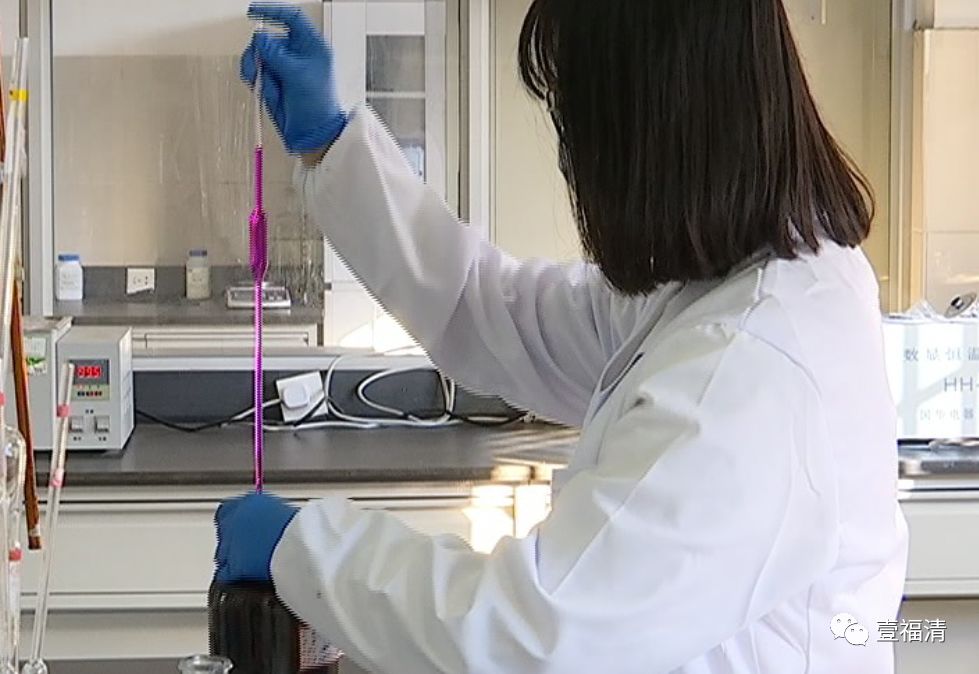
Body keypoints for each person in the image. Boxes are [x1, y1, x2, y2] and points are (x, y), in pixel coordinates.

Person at [215, 2, 908, 672]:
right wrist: (333, 144)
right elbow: (490, 310)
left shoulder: (752, 365)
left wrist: (302, 550)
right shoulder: (728, 288)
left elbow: (537, 634)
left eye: (576, 124)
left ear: (651, 127)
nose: (569, 160)